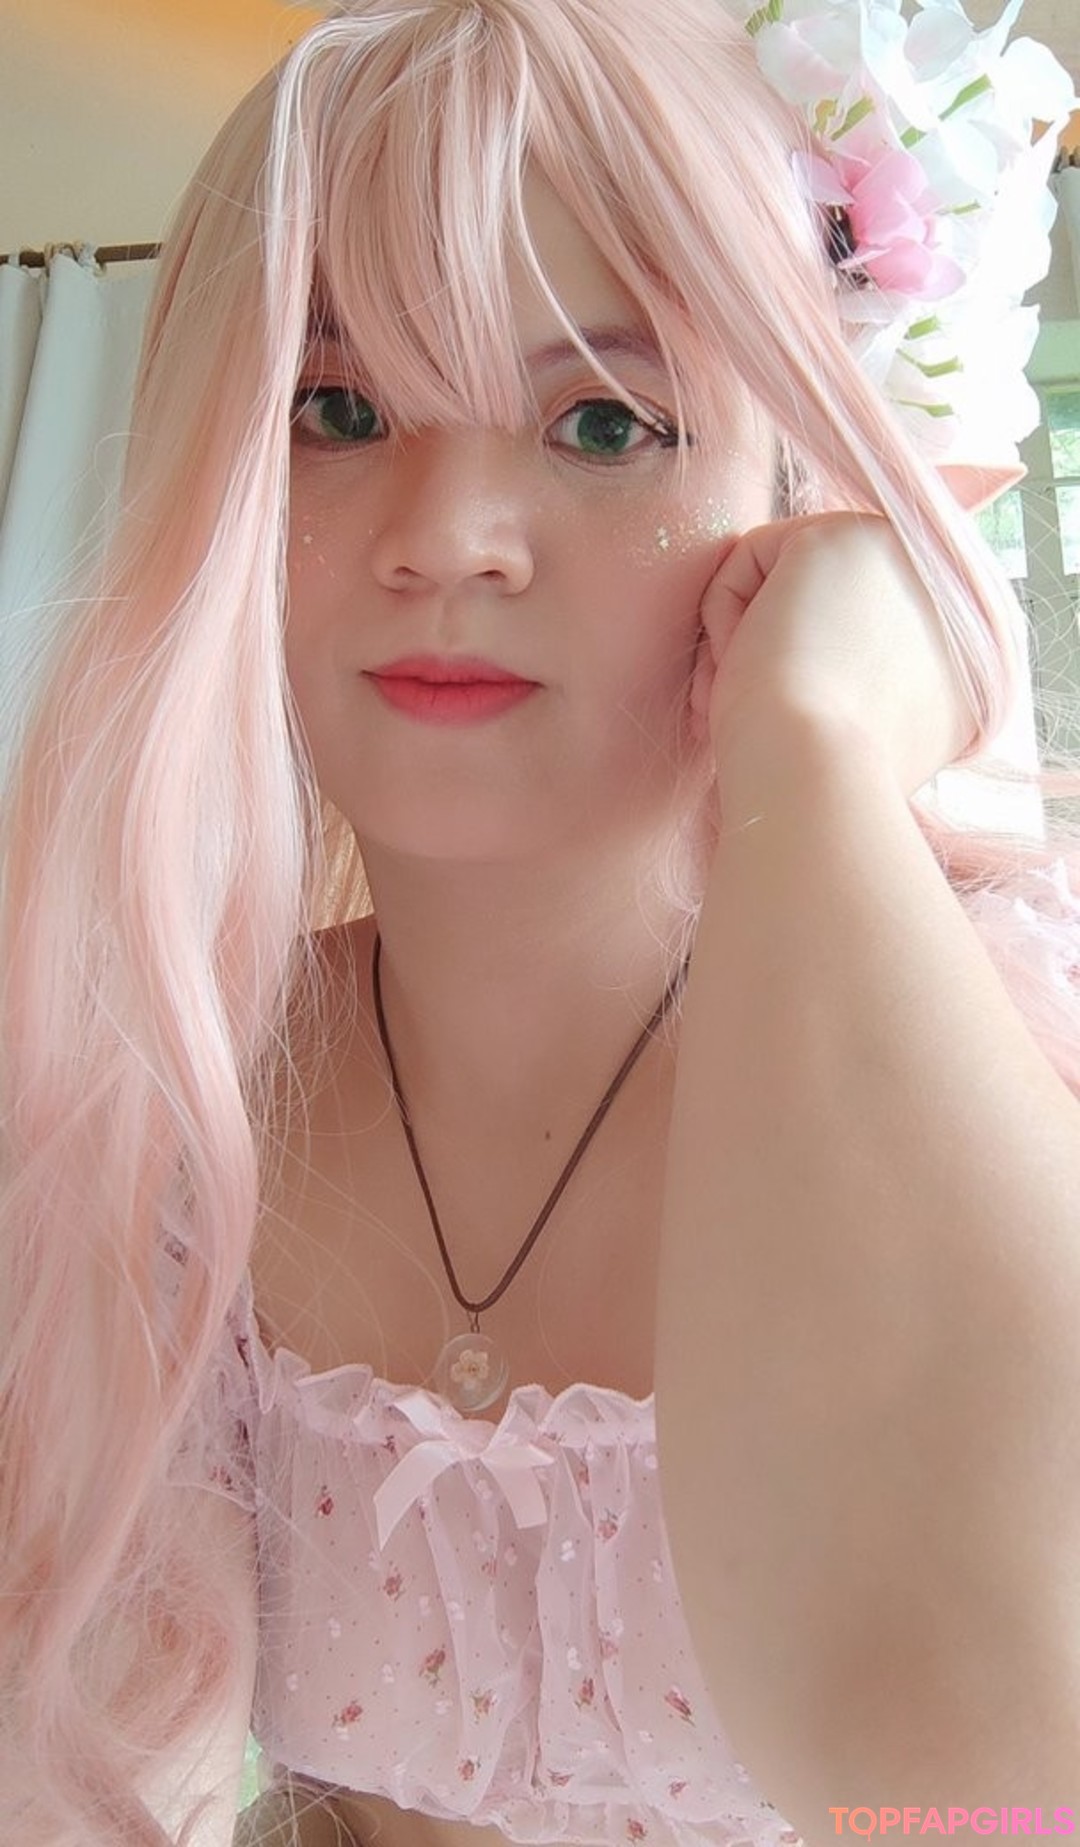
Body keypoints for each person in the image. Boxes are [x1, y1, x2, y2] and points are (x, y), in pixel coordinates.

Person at [2, 0, 1080, 1842]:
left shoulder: (1025, 1033)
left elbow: (988, 1766)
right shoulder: (163, 1108)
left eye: (602, 422)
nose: (449, 535)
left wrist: (817, 757)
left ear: (797, 500)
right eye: (340, 412)